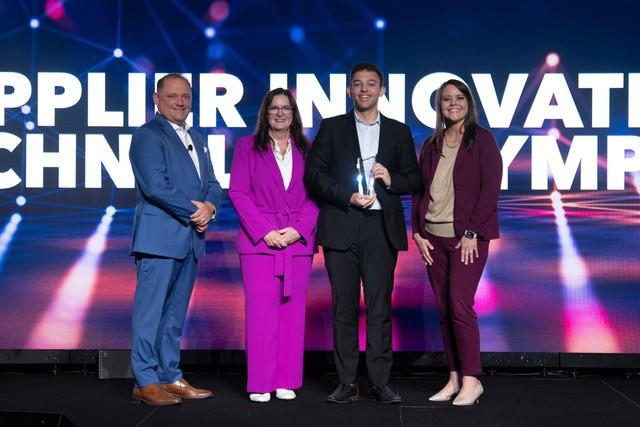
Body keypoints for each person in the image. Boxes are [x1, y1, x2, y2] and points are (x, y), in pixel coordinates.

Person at [305, 62, 421, 404]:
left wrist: (392, 180)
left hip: (380, 228)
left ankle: (380, 381)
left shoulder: (399, 132)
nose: (365, 89)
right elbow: (314, 174)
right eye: (358, 84)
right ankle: (346, 382)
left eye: (371, 84)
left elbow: (414, 179)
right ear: (349, 90)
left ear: (382, 90)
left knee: (379, 308)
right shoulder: (332, 128)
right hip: (342, 222)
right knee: (343, 308)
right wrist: (346, 195)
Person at [129, 73, 222, 406]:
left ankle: (170, 376)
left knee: (173, 317)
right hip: (159, 239)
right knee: (149, 314)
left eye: (186, 96)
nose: (181, 102)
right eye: (173, 96)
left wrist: (210, 207)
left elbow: (212, 182)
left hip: (191, 239)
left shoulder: (198, 137)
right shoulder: (147, 136)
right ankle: (145, 381)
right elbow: (156, 186)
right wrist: (195, 211)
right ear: (157, 99)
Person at [411, 79, 502, 406]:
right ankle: (453, 377)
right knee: (444, 310)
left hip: (467, 239)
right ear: (439, 106)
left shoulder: (483, 140)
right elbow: (419, 189)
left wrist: (472, 233)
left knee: (460, 305)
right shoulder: (431, 143)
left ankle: (472, 379)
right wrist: (417, 231)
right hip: (432, 238)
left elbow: (490, 190)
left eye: (459, 98)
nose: (453, 103)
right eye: (446, 99)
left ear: (469, 102)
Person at [228, 88, 319, 403]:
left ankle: (286, 380)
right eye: (274, 108)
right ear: (265, 114)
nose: (280, 113)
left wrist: (298, 230)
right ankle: (260, 382)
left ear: (294, 114)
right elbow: (238, 193)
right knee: (262, 313)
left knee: (292, 313)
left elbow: (317, 195)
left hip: (297, 242)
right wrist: (266, 232)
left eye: (286, 108)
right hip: (259, 244)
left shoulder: (309, 150)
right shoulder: (245, 148)